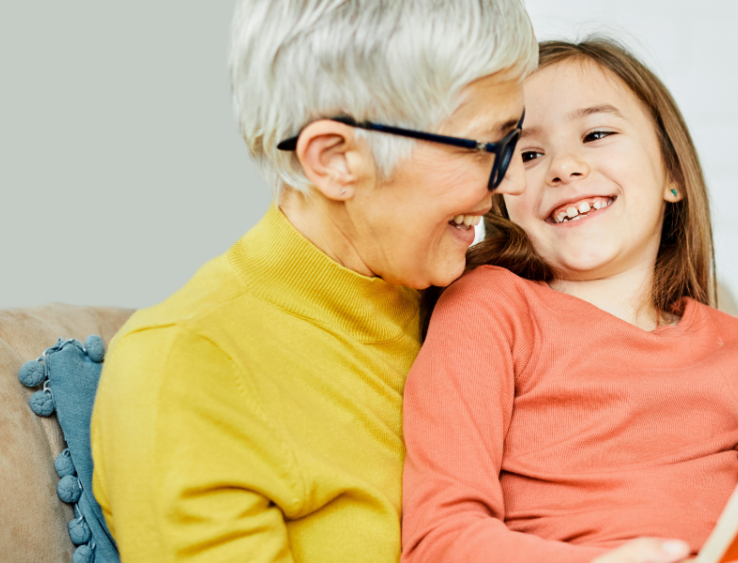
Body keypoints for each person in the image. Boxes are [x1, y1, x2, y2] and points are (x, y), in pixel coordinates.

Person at [90, 1, 537, 561]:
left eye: (515, 138)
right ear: (334, 158)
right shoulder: (186, 368)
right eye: (488, 148)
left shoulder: (483, 305)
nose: (515, 179)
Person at [401, 38, 738, 563]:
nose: (564, 167)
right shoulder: (489, 309)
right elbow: (438, 540)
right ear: (504, 196)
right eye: (529, 153)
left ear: (672, 174)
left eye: (596, 133)